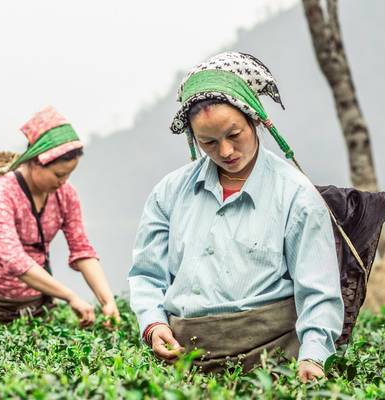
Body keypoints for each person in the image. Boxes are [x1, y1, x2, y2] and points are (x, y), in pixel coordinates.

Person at [128, 52, 344, 382]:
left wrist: (314, 355)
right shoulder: (168, 193)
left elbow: (319, 291)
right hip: (183, 366)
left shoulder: (296, 195)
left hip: (271, 364)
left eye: (234, 134)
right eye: (209, 142)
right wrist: (153, 323)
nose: (226, 151)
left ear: (255, 119)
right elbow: (147, 275)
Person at [0, 106, 120, 327]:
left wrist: (107, 300)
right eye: (58, 174)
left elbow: (81, 250)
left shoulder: (66, 195)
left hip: (35, 303)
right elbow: (14, 260)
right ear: (35, 161)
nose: (63, 181)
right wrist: (70, 296)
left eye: (69, 174)